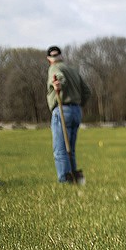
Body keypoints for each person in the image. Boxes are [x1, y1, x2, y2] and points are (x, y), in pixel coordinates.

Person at [46, 46, 91, 183]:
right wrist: (77, 104)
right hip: (76, 111)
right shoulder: (73, 70)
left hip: (62, 110)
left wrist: (58, 84)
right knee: (70, 149)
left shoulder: (54, 68)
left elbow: (59, 78)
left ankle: (65, 180)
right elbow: (87, 91)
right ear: (61, 56)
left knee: (60, 150)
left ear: (49, 59)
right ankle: (73, 177)